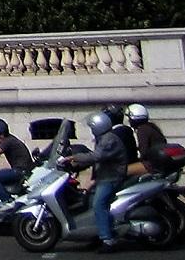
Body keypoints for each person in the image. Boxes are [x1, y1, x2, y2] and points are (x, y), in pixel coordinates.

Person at [66, 110, 128, 252]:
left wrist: (74, 157)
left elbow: (97, 156)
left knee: (99, 204)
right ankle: (97, 235)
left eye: (92, 127)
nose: (91, 130)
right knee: (89, 201)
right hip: (105, 177)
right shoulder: (104, 138)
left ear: (97, 126)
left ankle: (108, 240)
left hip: (112, 177)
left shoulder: (109, 139)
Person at [126, 104, 168, 173]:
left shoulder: (142, 130)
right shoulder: (150, 127)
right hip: (158, 162)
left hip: (152, 164)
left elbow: (143, 152)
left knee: (123, 171)